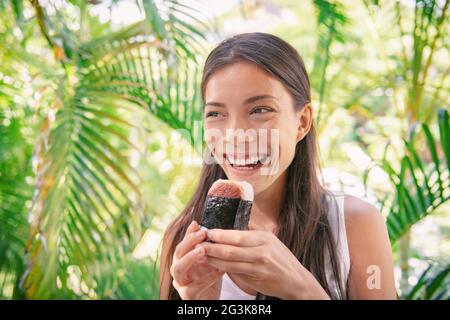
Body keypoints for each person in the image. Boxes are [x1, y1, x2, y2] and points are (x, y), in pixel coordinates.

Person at [159, 32, 397, 300]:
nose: (236, 134)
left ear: (302, 122)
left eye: (260, 110)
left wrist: (302, 291)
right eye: (215, 113)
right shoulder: (182, 238)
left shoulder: (354, 224)